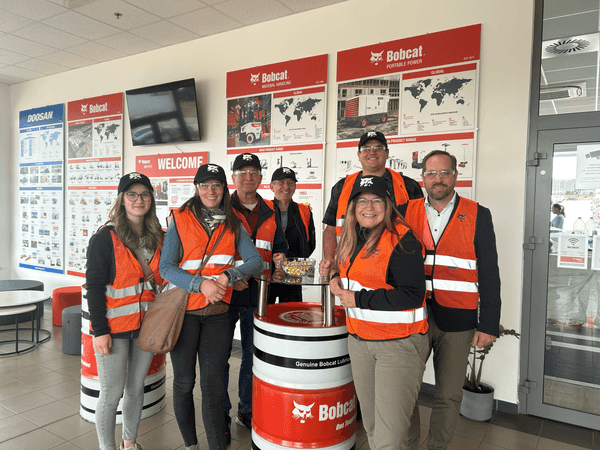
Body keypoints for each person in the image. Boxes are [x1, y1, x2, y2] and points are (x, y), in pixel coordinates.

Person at [319, 175, 428, 450]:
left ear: (388, 205)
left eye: (377, 200)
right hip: (360, 342)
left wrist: (358, 298)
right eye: (362, 201)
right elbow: (348, 270)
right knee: (373, 427)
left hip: (398, 345)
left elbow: (412, 294)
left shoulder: (402, 240)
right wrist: (334, 276)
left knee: (388, 439)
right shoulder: (353, 237)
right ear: (353, 207)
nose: (369, 207)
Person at [402, 150, 501, 450]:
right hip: (413, 315)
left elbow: (489, 271)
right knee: (405, 391)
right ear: (422, 177)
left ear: (456, 176)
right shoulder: (404, 211)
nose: (438, 179)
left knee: (448, 395)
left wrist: (489, 324)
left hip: (459, 318)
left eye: (444, 172)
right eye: (431, 173)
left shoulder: (478, 214)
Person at [159, 163, 262, 450]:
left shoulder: (234, 222)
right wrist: (200, 284)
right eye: (204, 185)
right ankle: (190, 445)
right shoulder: (179, 219)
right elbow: (166, 267)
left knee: (213, 387)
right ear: (196, 188)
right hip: (184, 314)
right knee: (183, 383)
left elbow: (255, 261)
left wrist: (229, 275)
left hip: (217, 315)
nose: (210, 191)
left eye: (216, 185)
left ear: (224, 188)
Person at [86, 172, 164, 450]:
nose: (138, 200)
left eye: (144, 194)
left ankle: (129, 444)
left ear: (151, 199)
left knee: (135, 388)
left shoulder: (158, 236)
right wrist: (100, 331)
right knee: (111, 394)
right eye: (131, 194)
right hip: (114, 329)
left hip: (146, 328)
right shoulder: (105, 238)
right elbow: (94, 287)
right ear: (121, 199)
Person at [223, 153, 287, 431]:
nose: (248, 177)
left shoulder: (271, 211)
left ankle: (245, 411)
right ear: (233, 177)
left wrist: (281, 259)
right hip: (225, 294)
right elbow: (211, 249)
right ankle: (221, 414)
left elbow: (279, 246)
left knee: (251, 356)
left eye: (253, 172)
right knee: (220, 357)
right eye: (242, 172)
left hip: (259, 295)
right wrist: (232, 277)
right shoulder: (221, 207)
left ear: (261, 178)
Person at [322, 130, 423, 267]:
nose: (372, 152)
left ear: (387, 153)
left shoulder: (408, 186)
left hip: (395, 267)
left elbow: (420, 230)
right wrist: (331, 262)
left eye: (378, 147)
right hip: (348, 267)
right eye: (366, 148)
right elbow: (331, 229)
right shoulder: (341, 187)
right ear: (358, 155)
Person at [268, 166, 316, 303]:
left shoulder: (304, 210)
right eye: (281, 182)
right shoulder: (265, 209)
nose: (286, 187)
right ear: (272, 186)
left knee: (292, 312)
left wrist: (291, 267)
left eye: (290, 183)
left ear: (295, 187)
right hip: (269, 275)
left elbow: (310, 243)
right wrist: (275, 266)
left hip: (294, 275)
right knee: (266, 313)